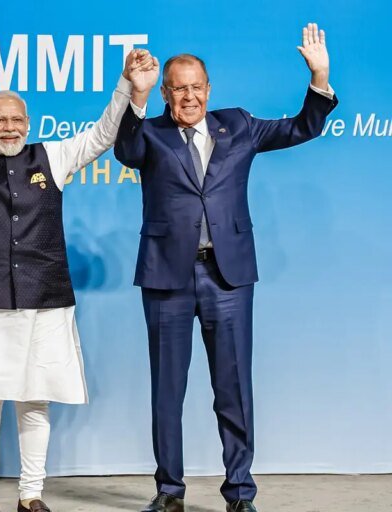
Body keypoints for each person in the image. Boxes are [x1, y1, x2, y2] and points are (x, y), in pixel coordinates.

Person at [0, 49, 158, 512]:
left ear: (28, 123)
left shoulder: (54, 156)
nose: (9, 127)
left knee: (35, 400)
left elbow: (104, 134)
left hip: (44, 298)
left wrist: (127, 85)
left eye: (16, 119)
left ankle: (31, 494)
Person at [113, 24, 337, 512]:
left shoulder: (237, 125)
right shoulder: (149, 132)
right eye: (178, 89)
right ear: (166, 93)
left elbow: (302, 127)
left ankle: (239, 492)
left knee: (233, 388)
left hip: (228, 277)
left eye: (196, 87)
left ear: (209, 90)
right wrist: (137, 94)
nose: (189, 96)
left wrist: (319, 78)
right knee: (167, 391)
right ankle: (169, 492)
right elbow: (125, 151)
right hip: (166, 277)